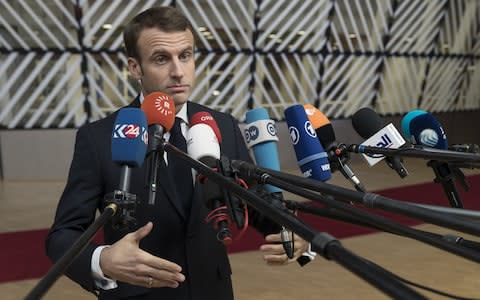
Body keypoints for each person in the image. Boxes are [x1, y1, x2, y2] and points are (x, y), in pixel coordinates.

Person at [46, 6, 310, 300]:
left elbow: (258, 200)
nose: (178, 71)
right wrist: (103, 259)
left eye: (185, 55)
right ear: (135, 67)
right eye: (162, 59)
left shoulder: (222, 125)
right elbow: (63, 235)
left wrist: (295, 233)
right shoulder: (98, 138)